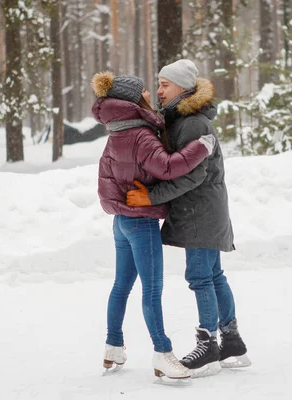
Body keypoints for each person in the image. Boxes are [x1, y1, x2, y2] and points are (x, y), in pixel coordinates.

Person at [126, 59, 250, 376]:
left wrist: (150, 197)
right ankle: (232, 340)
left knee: (199, 277)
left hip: (200, 211)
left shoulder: (191, 124)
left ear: (182, 87)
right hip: (206, 209)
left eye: (165, 84)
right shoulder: (185, 121)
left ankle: (208, 344)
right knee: (214, 275)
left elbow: (192, 176)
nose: (159, 90)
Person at [91, 71, 216, 380]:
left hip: (122, 223)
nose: (150, 93)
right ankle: (162, 353)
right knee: (152, 290)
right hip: (141, 224)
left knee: (122, 286)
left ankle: (113, 346)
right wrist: (202, 147)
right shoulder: (141, 135)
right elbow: (170, 167)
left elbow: (106, 180)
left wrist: (121, 206)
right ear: (134, 99)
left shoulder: (116, 132)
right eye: (145, 90)